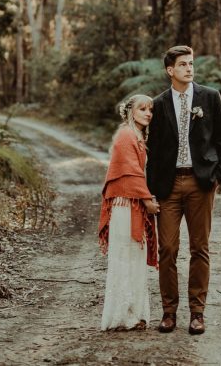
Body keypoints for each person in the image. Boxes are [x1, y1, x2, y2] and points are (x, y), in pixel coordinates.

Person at [146, 45, 221, 335]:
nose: (189, 68)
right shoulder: (157, 104)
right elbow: (153, 150)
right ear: (170, 70)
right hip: (168, 186)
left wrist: (217, 176)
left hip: (201, 183)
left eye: (191, 63)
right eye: (183, 64)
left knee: (200, 248)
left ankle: (197, 313)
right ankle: (168, 313)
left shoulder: (210, 97)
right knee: (167, 249)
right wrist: (151, 189)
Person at [98, 94, 160, 331]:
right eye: (143, 109)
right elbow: (131, 173)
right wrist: (147, 201)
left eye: (150, 110)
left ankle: (134, 313)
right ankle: (123, 315)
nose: (148, 113)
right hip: (125, 205)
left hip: (130, 203)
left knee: (134, 257)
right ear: (131, 111)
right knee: (125, 257)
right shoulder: (126, 135)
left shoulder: (137, 135)